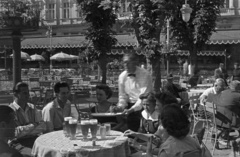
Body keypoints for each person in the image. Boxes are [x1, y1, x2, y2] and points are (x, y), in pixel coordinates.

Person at [114, 51, 153, 132]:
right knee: (131, 132)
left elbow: (143, 96)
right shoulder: (122, 76)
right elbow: (122, 96)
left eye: (128, 62)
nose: (126, 65)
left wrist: (131, 109)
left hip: (145, 105)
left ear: (135, 62)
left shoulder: (145, 74)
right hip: (130, 107)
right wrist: (120, 107)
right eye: (124, 62)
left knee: (144, 132)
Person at [9, 82, 46, 157]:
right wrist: (33, 125)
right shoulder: (10, 110)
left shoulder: (32, 107)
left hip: (34, 139)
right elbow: (15, 133)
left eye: (28, 92)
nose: (28, 95)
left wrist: (23, 129)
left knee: (48, 150)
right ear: (15, 94)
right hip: (17, 142)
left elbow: (43, 126)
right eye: (25, 93)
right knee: (34, 155)